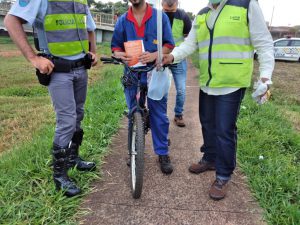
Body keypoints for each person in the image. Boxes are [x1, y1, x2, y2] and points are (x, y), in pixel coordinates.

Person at [163, 0, 274, 200]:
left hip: (232, 82)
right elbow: (190, 44)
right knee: (207, 124)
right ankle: (210, 158)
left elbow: (264, 43)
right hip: (208, 81)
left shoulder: (246, 5)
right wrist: (171, 56)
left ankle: (223, 175)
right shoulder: (203, 13)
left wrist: (266, 76)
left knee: (224, 129)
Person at [4, 0, 98, 197]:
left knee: (78, 115)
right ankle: (59, 176)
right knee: (66, 121)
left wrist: (94, 52)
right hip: (58, 71)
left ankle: (73, 159)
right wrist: (33, 58)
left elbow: (89, 27)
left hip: (81, 68)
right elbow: (12, 20)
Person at [111, 0, 175, 174]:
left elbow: (169, 44)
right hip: (132, 73)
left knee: (159, 115)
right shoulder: (122, 20)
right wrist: (118, 54)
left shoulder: (159, 17)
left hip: (155, 72)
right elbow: (115, 47)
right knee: (133, 112)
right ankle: (133, 150)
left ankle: (162, 152)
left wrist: (155, 54)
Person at [162, 0, 191, 127]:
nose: (168, 7)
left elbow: (188, 38)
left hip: (178, 58)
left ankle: (178, 114)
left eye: (171, 5)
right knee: (162, 89)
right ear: (162, 3)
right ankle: (161, 115)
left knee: (181, 90)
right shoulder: (157, 17)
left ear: (177, 3)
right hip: (162, 58)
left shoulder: (183, 16)